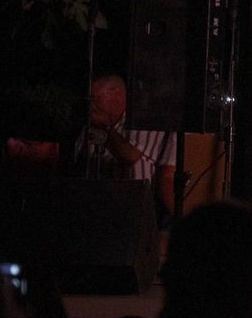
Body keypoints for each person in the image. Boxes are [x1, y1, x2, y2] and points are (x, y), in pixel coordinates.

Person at [75, 74, 176, 215]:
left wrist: (105, 128)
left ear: (116, 94)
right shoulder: (90, 127)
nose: (91, 105)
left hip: (134, 211)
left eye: (95, 99)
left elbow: (130, 156)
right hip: (95, 208)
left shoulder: (142, 121)